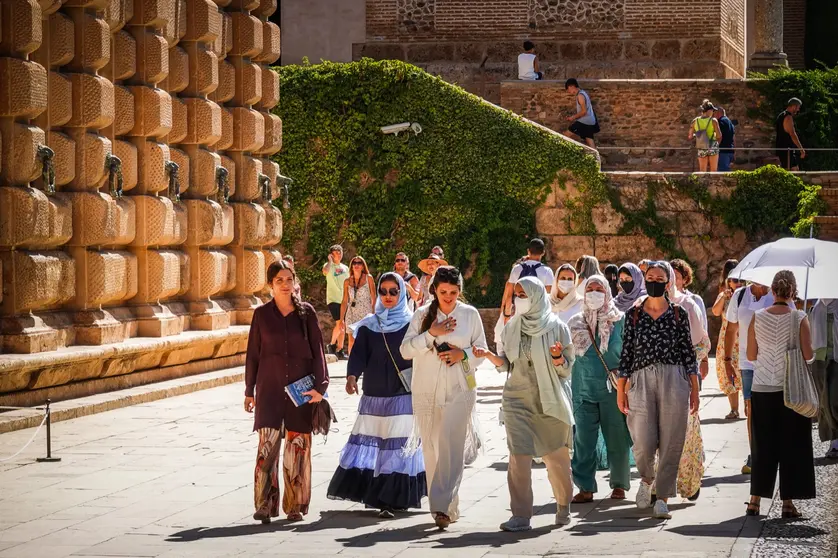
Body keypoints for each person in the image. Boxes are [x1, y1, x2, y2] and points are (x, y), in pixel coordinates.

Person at [474, 277, 575, 531]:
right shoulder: (511, 328)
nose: (518, 298)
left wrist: (556, 357)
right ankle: (521, 515)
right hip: (517, 399)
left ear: (537, 296)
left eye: (524, 294)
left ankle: (564, 505)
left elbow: (567, 370)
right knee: (518, 458)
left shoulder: (557, 327)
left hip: (549, 400)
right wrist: (489, 357)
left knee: (556, 460)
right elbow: (508, 364)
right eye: (516, 294)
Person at [327, 273, 427, 517]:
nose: (388, 296)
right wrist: (352, 376)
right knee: (379, 442)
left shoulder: (411, 323)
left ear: (402, 293)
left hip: (402, 393)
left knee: (397, 444)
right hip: (374, 394)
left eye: (394, 291)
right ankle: (382, 494)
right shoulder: (370, 324)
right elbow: (359, 354)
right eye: (383, 291)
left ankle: (391, 497)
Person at [400, 266, 488, 529]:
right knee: (433, 451)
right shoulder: (421, 315)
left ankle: (439, 505)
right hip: (426, 391)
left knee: (451, 447)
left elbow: (481, 350)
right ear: (435, 291)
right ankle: (448, 508)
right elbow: (405, 350)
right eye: (443, 292)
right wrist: (431, 335)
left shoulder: (470, 315)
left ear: (460, 291)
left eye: (453, 292)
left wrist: (464, 355)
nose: (448, 297)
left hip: (460, 390)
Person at [245, 260, 329, 523]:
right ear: (270, 284)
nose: (284, 285)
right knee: (266, 450)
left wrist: (320, 388)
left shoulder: (307, 313)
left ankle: (295, 505)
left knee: (298, 450)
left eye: (288, 279)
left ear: (295, 282)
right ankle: (264, 505)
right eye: (278, 280)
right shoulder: (261, 315)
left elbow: (318, 352)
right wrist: (249, 390)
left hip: (300, 394)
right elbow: (253, 355)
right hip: (269, 391)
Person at [617, 262, 699, 520]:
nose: (654, 281)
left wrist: (695, 390)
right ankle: (646, 478)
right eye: (650, 277)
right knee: (642, 437)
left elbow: (689, 353)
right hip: (640, 379)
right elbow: (626, 355)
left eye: (660, 278)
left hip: (674, 378)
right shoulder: (633, 314)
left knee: (672, 440)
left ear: (668, 282)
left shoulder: (678, 313)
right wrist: (621, 390)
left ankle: (662, 497)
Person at [745, 270, 815, 518]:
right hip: (791, 390)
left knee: (763, 445)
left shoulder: (758, 316)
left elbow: (751, 355)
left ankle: (754, 501)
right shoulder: (799, 317)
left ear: (772, 291)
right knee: (791, 445)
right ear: (793, 292)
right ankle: (787, 503)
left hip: (763, 387)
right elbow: (808, 356)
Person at [568, 276, 632, 504]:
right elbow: (568, 356)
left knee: (617, 437)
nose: (594, 293)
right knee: (583, 440)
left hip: (613, 390)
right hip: (582, 388)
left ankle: (619, 484)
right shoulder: (575, 322)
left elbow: (629, 354)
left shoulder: (620, 320)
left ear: (607, 292)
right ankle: (585, 486)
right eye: (590, 289)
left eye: (599, 289)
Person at [725, 279, 787, 474]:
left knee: (775, 408)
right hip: (747, 362)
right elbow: (731, 329)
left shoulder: (779, 293)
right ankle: (757, 455)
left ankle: (774, 451)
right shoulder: (740, 295)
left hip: (775, 362)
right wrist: (727, 361)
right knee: (751, 408)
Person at [663, 262, 710, 502]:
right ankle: (660, 488)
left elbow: (701, 343)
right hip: (655, 383)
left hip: (682, 378)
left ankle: (689, 481)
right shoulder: (643, 306)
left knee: (685, 433)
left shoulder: (688, 305)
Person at [711, 259, 743, 419]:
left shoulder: (746, 294)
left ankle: (749, 406)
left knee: (745, 372)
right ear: (728, 281)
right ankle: (734, 409)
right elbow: (716, 312)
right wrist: (723, 296)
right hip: (728, 338)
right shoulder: (725, 295)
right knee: (728, 372)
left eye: (740, 280)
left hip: (743, 337)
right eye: (734, 280)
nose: (737, 283)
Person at [808, 299, 838, 459]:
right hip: (820, 357)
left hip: (836, 358)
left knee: (834, 399)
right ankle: (834, 441)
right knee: (823, 400)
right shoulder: (818, 306)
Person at [501, 238, 554, 321]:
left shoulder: (517, 269)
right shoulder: (547, 271)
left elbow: (509, 296)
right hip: (538, 316)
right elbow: (548, 298)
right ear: (543, 252)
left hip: (518, 314)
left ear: (528, 251)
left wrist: (506, 316)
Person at [340, 256, 377, 355]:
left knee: (366, 340)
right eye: (354, 263)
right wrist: (341, 320)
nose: (356, 265)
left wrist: (374, 313)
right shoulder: (347, 281)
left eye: (359, 263)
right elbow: (344, 301)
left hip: (366, 313)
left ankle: (366, 365)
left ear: (363, 266)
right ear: (351, 266)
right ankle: (352, 367)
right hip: (351, 312)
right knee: (351, 341)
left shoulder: (368, 278)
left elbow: (374, 297)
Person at [323, 245, 350, 358]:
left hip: (344, 299)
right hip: (333, 299)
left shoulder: (345, 268)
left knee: (342, 325)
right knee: (341, 323)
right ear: (331, 254)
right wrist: (329, 261)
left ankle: (339, 349)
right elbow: (325, 272)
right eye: (335, 253)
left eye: (340, 252)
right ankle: (332, 345)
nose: (338, 254)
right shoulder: (328, 266)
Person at [670, 259, 708, 335]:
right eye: (670, 277)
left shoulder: (695, 300)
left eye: (676, 278)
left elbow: (703, 328)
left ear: (685, 279)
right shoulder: (662, 300)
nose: (672, 281)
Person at [688, 100, 722, 172]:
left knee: (702, 171)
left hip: (701, 146)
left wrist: (698, 135)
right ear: (709, 110)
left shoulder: (695, 121)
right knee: (713, 171)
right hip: (712, 145)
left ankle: (702, 183)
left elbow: (690, 136)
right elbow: (719, 136)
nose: (713, 112)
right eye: (713, 110)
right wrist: (717, 144)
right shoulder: (713, 120)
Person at [564, 78, 599, 149]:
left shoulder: (580, 96)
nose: (569, 92)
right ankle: (596, 158)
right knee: (590, 141)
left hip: (584, 121)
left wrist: (572, 117)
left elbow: (584, 111)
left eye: (568, 89)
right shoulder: (583, 93)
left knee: (565, 135)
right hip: (590, 121)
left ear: (571, 86)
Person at [776, 97, 805, 170]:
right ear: (794, 106)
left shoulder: (781, 115)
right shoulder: (788, 117)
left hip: (783, 148)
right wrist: (801, 149)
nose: (798, 110)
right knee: (794, 172)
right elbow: (792, 134)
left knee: (790, 171)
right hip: (786, 150)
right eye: (798, 107)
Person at [714, 106, 736, 171]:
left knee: (722, 172)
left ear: (718, 113)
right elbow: (734, 137)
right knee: (726, 171)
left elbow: (719, 136)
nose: (713, 115)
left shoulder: (720, 122)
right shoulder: (730, 122)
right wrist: (735, 150)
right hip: (730, 150)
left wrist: (715, 148)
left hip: (723, 151)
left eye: (714, 113)